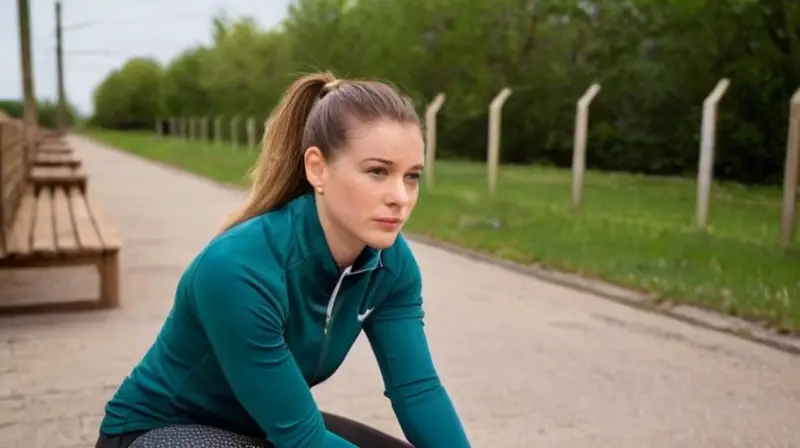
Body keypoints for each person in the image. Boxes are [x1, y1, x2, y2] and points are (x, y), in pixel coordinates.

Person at [94, 72, 472, 448]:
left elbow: (417, 390)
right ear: (317, 168)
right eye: (378, 172)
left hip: (260, 424)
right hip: (156, 433)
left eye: (412, 177)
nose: (400, 197)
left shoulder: (391, 265)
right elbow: (302, 440)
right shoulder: (237, 270)